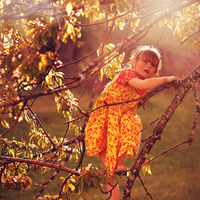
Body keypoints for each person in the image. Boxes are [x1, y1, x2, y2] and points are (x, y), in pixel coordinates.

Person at [84, 45, 178, 200]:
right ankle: (116, 169)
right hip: (104, 119)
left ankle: (114, 190)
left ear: (155, 70)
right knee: (110, 166)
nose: (149, 65)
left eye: (153, 65)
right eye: (145, 61)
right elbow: (141, 85)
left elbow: (144, 89)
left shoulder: (146, 88)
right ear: (134, 62)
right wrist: (166, 79)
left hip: (120, 121)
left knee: (111, 169)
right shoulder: (126, 74)